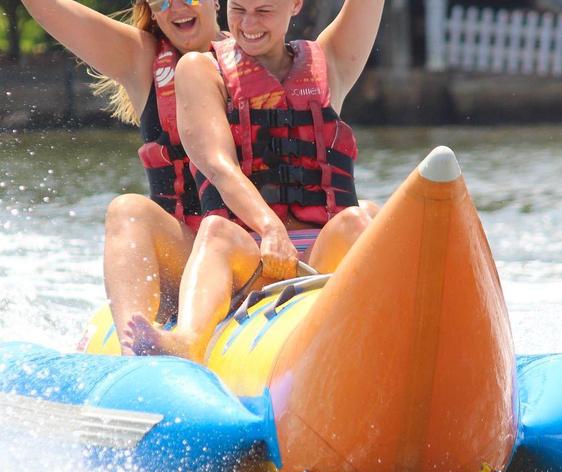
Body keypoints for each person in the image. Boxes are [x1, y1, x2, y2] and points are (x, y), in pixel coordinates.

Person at [124, 0, 385, 361]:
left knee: (362, 218)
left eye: (263, 11)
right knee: (217, 230)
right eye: (238, 9)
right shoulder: (200, 69)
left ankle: (400, 333)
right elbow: (218, 166)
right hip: (251, 258)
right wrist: (270, 228)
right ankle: (187, 341)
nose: (248, 24)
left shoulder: (330, 61)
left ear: (295, 5)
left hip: (319, 255)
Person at [21, 0, 225, 354]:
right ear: (151, 10)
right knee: (128, 209)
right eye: (162, 0)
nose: (176, 7)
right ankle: (137, 353)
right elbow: (49, 8)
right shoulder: (141, 59)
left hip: (252, 252)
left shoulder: (261, 49)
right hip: (186, 256)